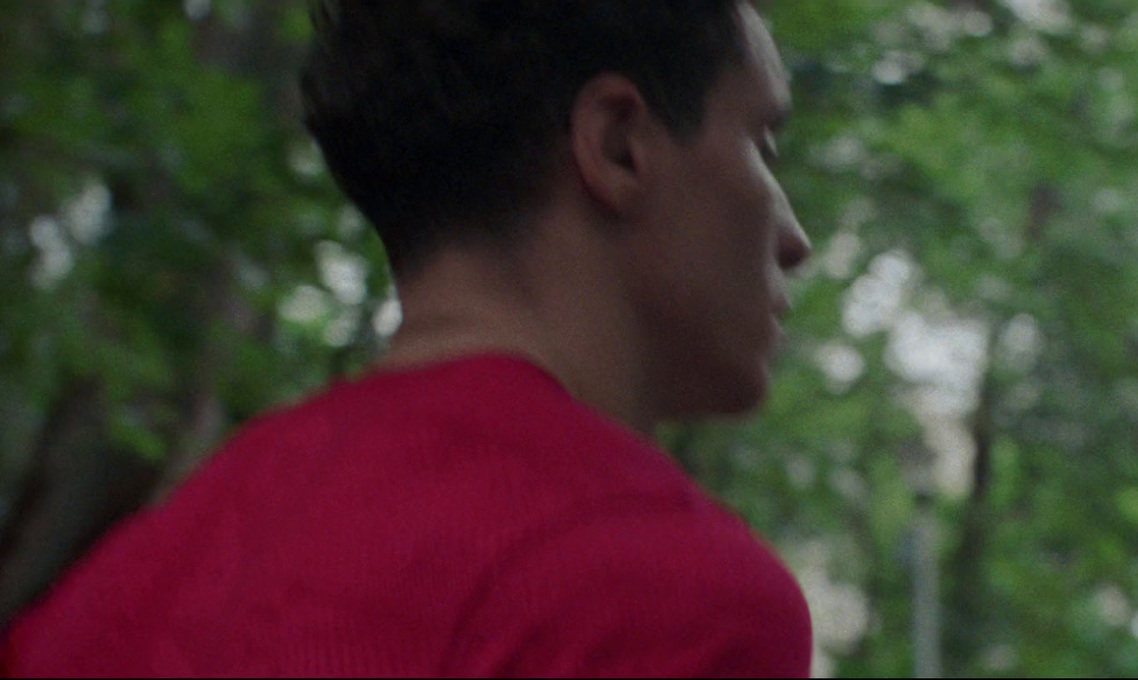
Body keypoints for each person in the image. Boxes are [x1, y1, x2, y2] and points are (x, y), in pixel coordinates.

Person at [2, 0, 815, 675]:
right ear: (616, 145)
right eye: (762, 143)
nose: (793, 237)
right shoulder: (665, 600)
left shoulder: (115, 590)